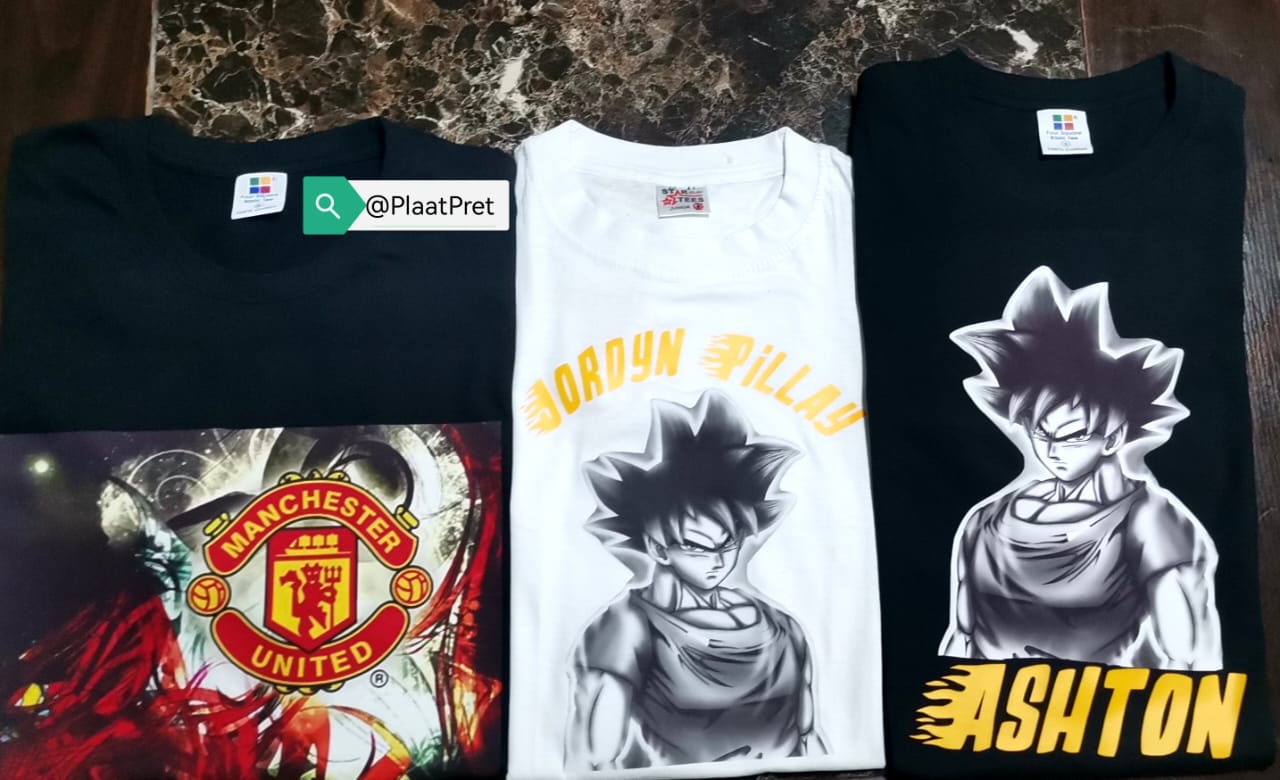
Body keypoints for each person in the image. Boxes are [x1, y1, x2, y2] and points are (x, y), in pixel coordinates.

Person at [940, 266, 1221, 670]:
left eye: (1073, 436)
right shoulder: (985, 521)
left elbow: (1187, 657)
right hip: (980, 703)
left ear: (1112, 437)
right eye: (1042, 433)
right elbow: (960, 637)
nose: (1053, 450)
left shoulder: (1146, 519)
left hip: (1098, 704)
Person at [566, 390, 823, 770]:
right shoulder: (629, 627)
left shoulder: (781, 627)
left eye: (729, 543)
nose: (718, 561)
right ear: (657, 547)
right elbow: (592, 761)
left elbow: (811, 739)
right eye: (696, 547)